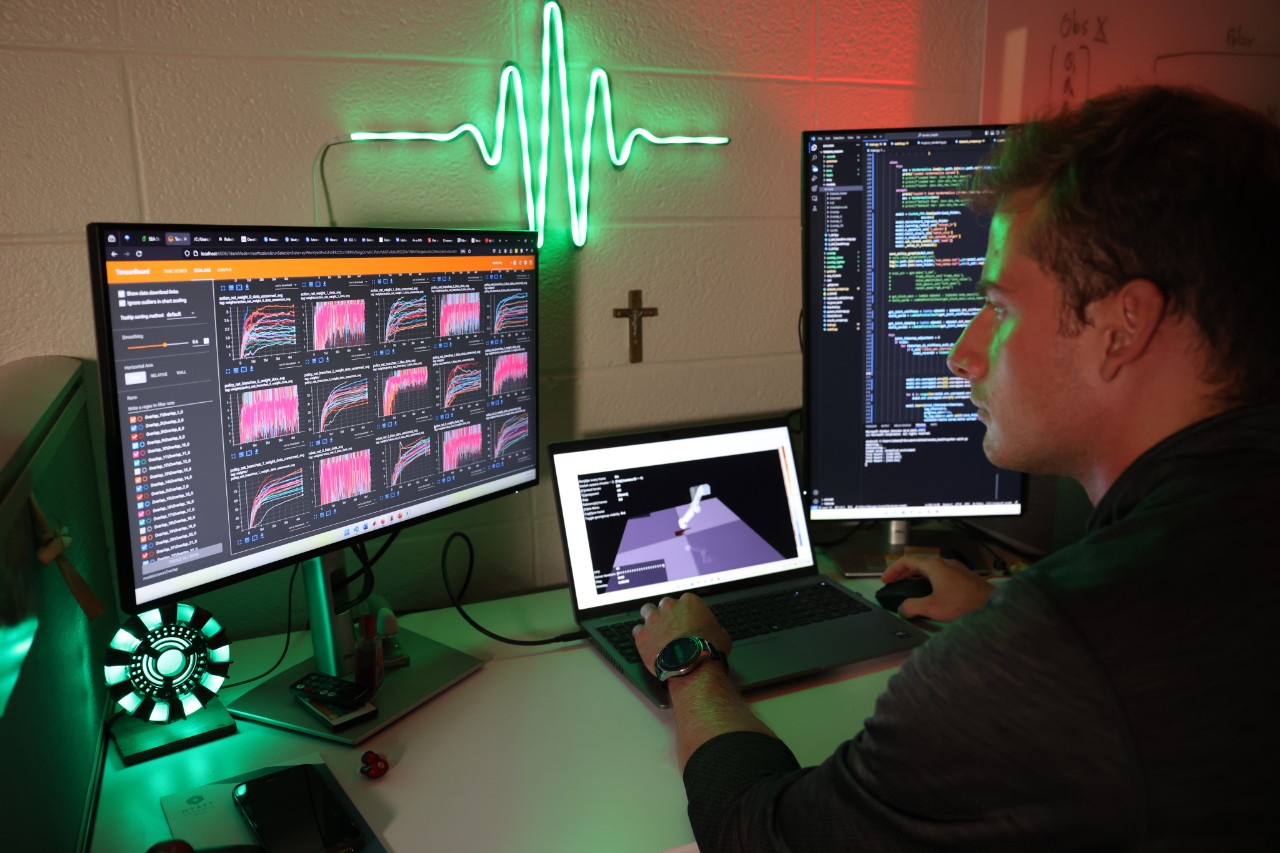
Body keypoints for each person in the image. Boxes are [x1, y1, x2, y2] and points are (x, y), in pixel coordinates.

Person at [632, 85, 1280, 851]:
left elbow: (757, 835)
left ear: (1122, 327)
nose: (963, 353)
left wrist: (692, 662)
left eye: (1001, 307)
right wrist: (998, 622)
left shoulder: (1057, 652)